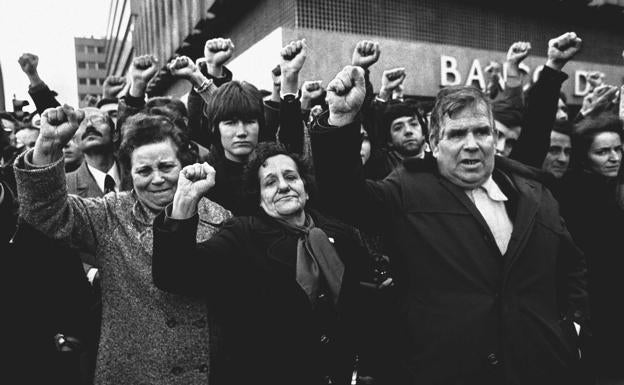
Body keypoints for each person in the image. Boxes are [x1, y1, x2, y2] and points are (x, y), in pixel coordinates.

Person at [310, 65, 588, 385]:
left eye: (481, 131)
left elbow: (572, 267)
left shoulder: (536, 195)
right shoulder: (407, 190)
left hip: (536, 370)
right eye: (456, 134)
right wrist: (342, 120)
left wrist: (573, 332)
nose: (471, 144)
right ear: (433, 142)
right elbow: (344, 199)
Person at [14, 106, 232, 385]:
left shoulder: (220, 218)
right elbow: (46, 214)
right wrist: (48, 146)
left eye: (166, 167)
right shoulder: (110, 214)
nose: (157, 178)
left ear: (184, 165)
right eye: (144, 170)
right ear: (129, 173)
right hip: (130, 372)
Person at [152, 141, 367, 385]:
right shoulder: (242, 236)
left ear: (305, 188)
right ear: (259, 198)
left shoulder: (343, 235)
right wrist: (185, 201)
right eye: (270, 182)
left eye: (290, 177)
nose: (284, 186)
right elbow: (175, 274)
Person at [555, 113, 624, 384]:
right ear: (584, 157)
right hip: (596, 305)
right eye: (603, 152)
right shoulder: (577, 193)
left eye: (618, 149)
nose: (614, 157)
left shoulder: (612, 189)